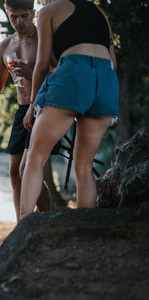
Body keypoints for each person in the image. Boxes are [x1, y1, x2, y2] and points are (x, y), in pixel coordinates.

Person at [20, 0, 119, 219]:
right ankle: (84, 231)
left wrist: (34, 105)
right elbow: (113, 61)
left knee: (35, 158)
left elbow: (42, 64)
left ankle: (22, 228)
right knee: (84, 167)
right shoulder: (100, 13)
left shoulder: (48, 11)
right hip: (106, 80)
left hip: (74, 74)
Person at [0, 0, 51, 221]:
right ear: (7, 14)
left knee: (26, 170)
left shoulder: (43, 39)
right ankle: (21, 225)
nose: (19, 22)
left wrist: (34, 74)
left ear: (33, 13)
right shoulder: (5, 46)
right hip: (22, 109)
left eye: (24, 16)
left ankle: (48, 219)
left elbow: (59, 74)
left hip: (45, 107)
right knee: (14, 171)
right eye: (13, 17)